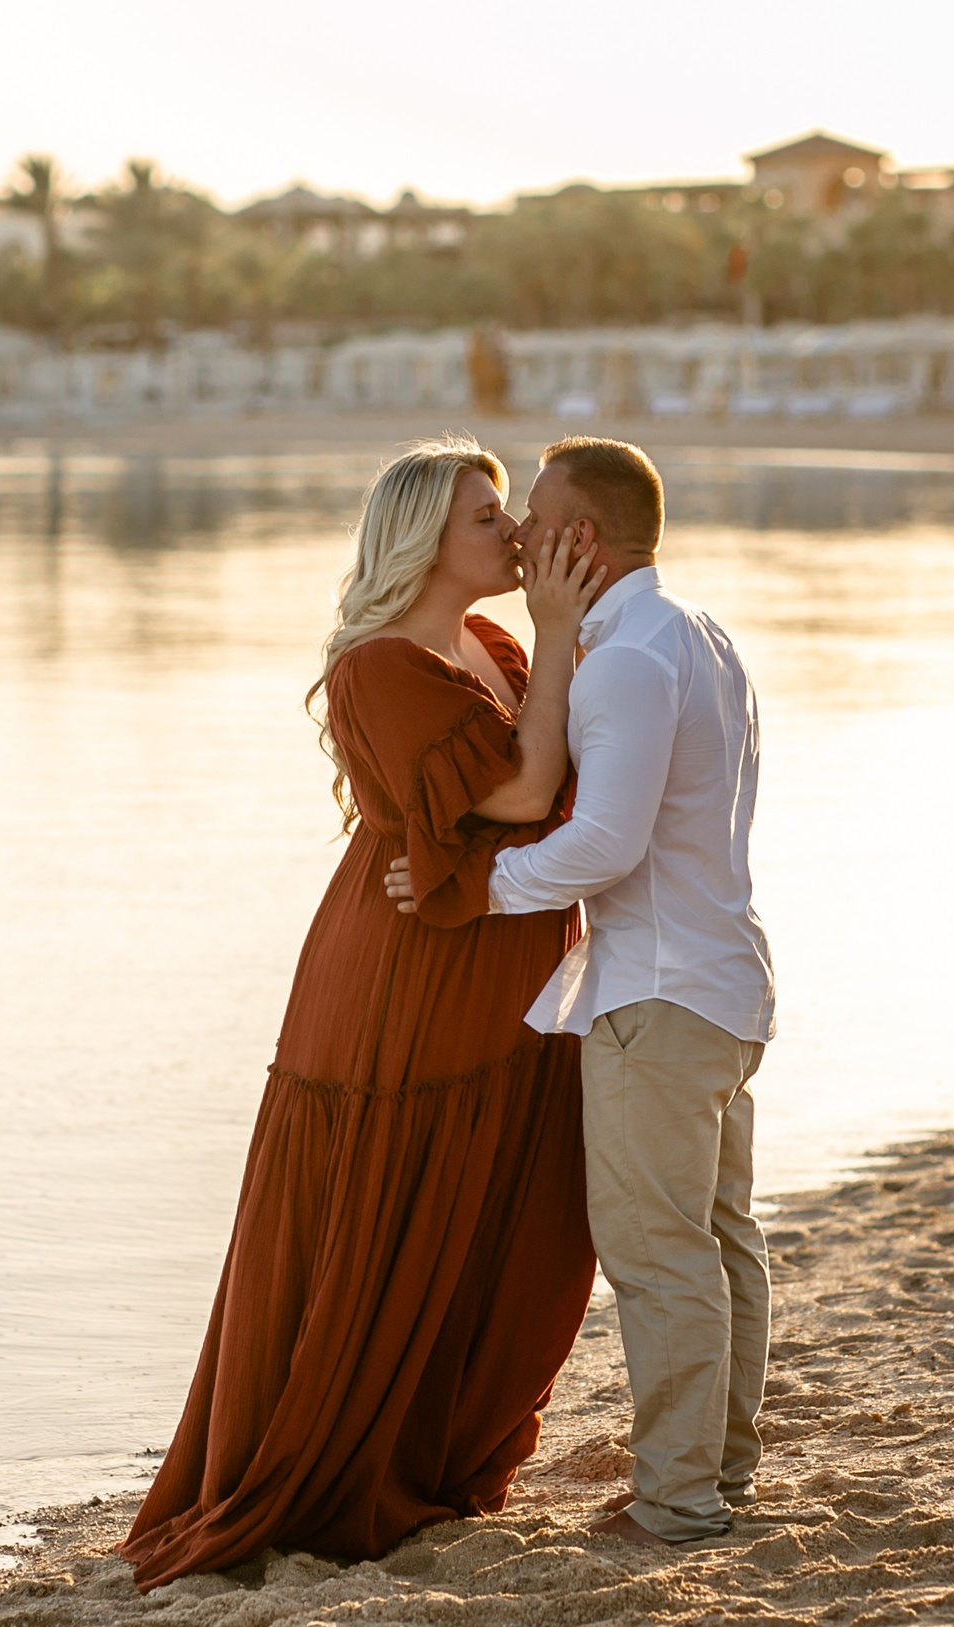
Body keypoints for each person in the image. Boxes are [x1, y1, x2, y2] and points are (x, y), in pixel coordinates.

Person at [119, 438, 609, 1590]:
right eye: (487, 519)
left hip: (498, 963)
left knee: (506, 1214)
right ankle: (345, 1459)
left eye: (506, 513)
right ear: (423, 542)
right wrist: (556, 638)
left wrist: (545, 644)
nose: (514, 536)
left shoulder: (486, 643)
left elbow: (563, 778)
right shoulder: (381, 667)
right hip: (407, 978)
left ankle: (431, 1444)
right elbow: (527, 792)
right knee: (397, 1207)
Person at [387, 437, 776, 1549]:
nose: (518, 536)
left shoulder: (621, 662)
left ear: (583, 539)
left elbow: (604, 841)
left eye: (536, 517)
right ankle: (719, 1474)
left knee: (659, 1254)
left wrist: (467, 888)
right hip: (719, 982)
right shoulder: (692, 631)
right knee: (715, 1238)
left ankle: (680, 1500)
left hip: (656, 996)